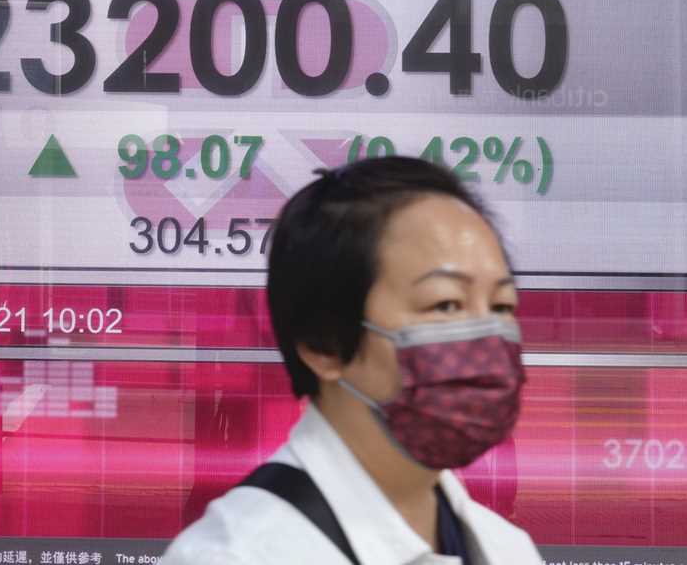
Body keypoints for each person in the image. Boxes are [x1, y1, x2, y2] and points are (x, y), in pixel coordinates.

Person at [161, 156, 540, 565]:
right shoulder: (234, 556)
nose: (487, 340)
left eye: (502, 306)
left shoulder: (507, 549)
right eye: (445, 304)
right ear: (324, 344)